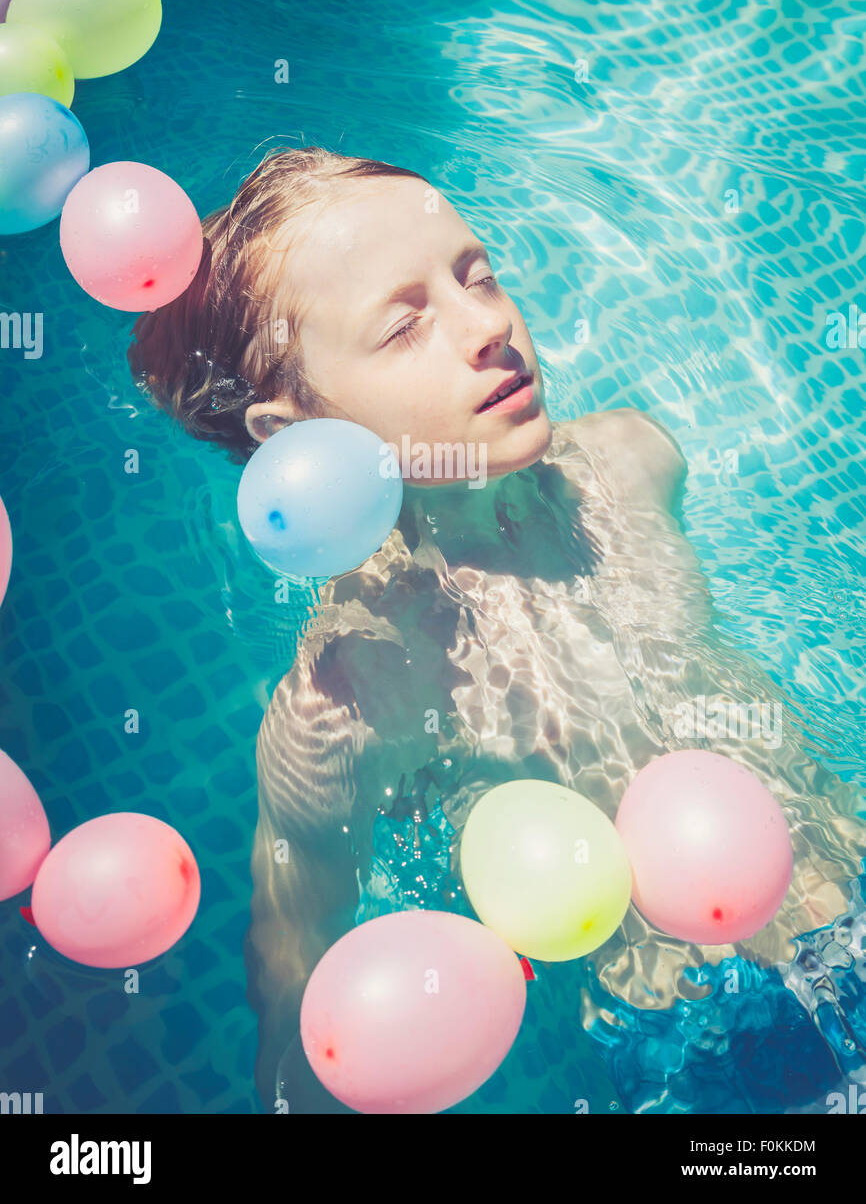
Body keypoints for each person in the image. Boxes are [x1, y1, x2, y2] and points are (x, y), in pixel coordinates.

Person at [128, 146, 866, 1111]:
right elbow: (298, 949)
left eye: (479, 275)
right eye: (403, 327)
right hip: (704, 1033)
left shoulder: (638, 465)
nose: (490, 325)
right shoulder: (346, 699)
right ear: (292, 429)